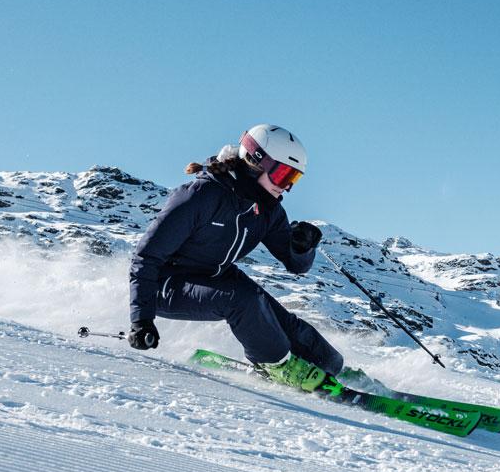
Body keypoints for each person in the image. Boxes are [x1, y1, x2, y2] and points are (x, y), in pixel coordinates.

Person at [127, 124, 344, 391]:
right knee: (243, 300)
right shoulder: (200, 196)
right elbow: (146, 258)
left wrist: (301, 247)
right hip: (166, 285)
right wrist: (141, 319)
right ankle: (277, 365)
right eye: (283, 175)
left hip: (216, 278)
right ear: (255, 161)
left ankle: (332, 367)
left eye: (294, 179)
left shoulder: (267, 209)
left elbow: (295, 265)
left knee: (284, 322)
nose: (286, 187)